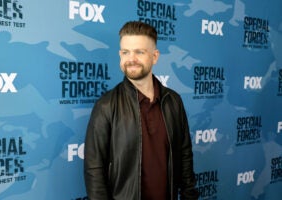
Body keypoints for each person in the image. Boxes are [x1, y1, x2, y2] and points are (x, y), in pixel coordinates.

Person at [84, 21, 199, 200]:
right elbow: (94, 169)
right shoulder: (106, 105)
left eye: (139, 52)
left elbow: (185, 156)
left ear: (155, 56)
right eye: (125, 52)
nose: (131, 59)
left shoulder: (173, 101)